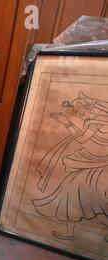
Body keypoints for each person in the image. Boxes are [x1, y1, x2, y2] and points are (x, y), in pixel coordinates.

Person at [33, 92, 108, 241]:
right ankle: (70, 232)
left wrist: (66, 122)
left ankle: (70, 232)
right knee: (80, 199)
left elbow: (82, 139)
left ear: (90, 109)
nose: (81, 116)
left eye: (81, 113)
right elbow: (84, 135)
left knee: (75, 196)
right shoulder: (101, 120)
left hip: (94, 168)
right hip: (91, 165)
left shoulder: (99, 122)